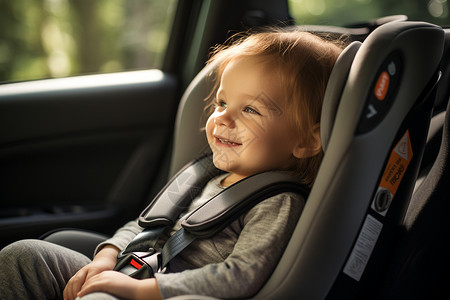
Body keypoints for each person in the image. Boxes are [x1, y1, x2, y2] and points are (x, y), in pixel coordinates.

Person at [0, 29, 345, 300]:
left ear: (306, 141)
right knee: (24, 256)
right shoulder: (207, 174)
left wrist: (141, 290)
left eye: (251, 109)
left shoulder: (278, 202)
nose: (223, 118)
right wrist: (106, 258)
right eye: (222, 102)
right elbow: (143, 226)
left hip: (171, 292)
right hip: (134, 269)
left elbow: (240, 275)